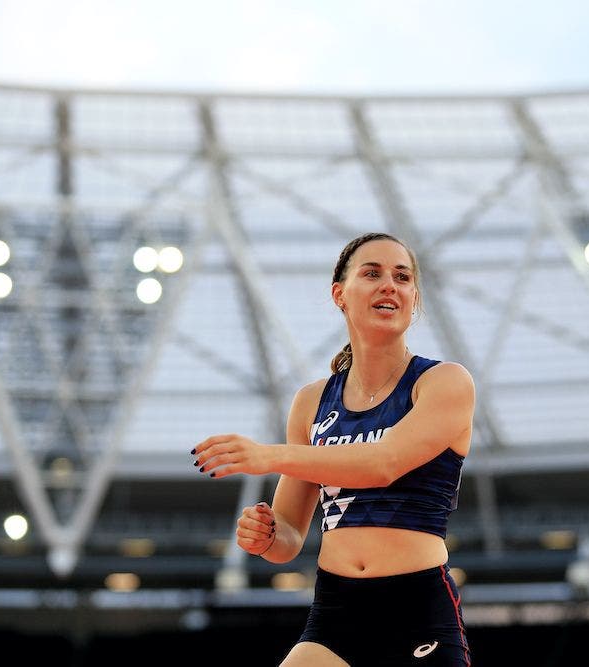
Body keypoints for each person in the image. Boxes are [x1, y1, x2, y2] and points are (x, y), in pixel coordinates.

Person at [191, 232, 474, 666]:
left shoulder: (444, 382)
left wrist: (268, 455)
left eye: (402, 277)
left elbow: (382, 464)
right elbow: (288, 537)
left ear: (414, 297)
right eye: (372, 273)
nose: (390, 285)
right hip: (336, 613)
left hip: (415, 609)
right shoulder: (311, 402)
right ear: (340, 295)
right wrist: (265, 535)